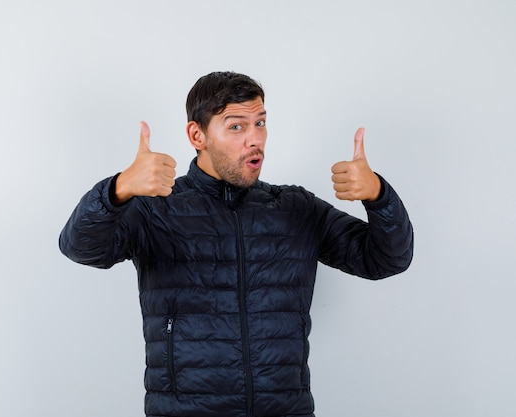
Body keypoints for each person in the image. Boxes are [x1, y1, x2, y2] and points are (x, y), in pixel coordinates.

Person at [59, 71, 414, 417]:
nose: (254, 139)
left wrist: (378, 196)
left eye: (260, 123)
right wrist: (117, 190)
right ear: (197, 135)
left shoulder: (296, 208)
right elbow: (81, 247)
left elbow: (386, 259)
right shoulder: (157, 208)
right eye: (236, 126)